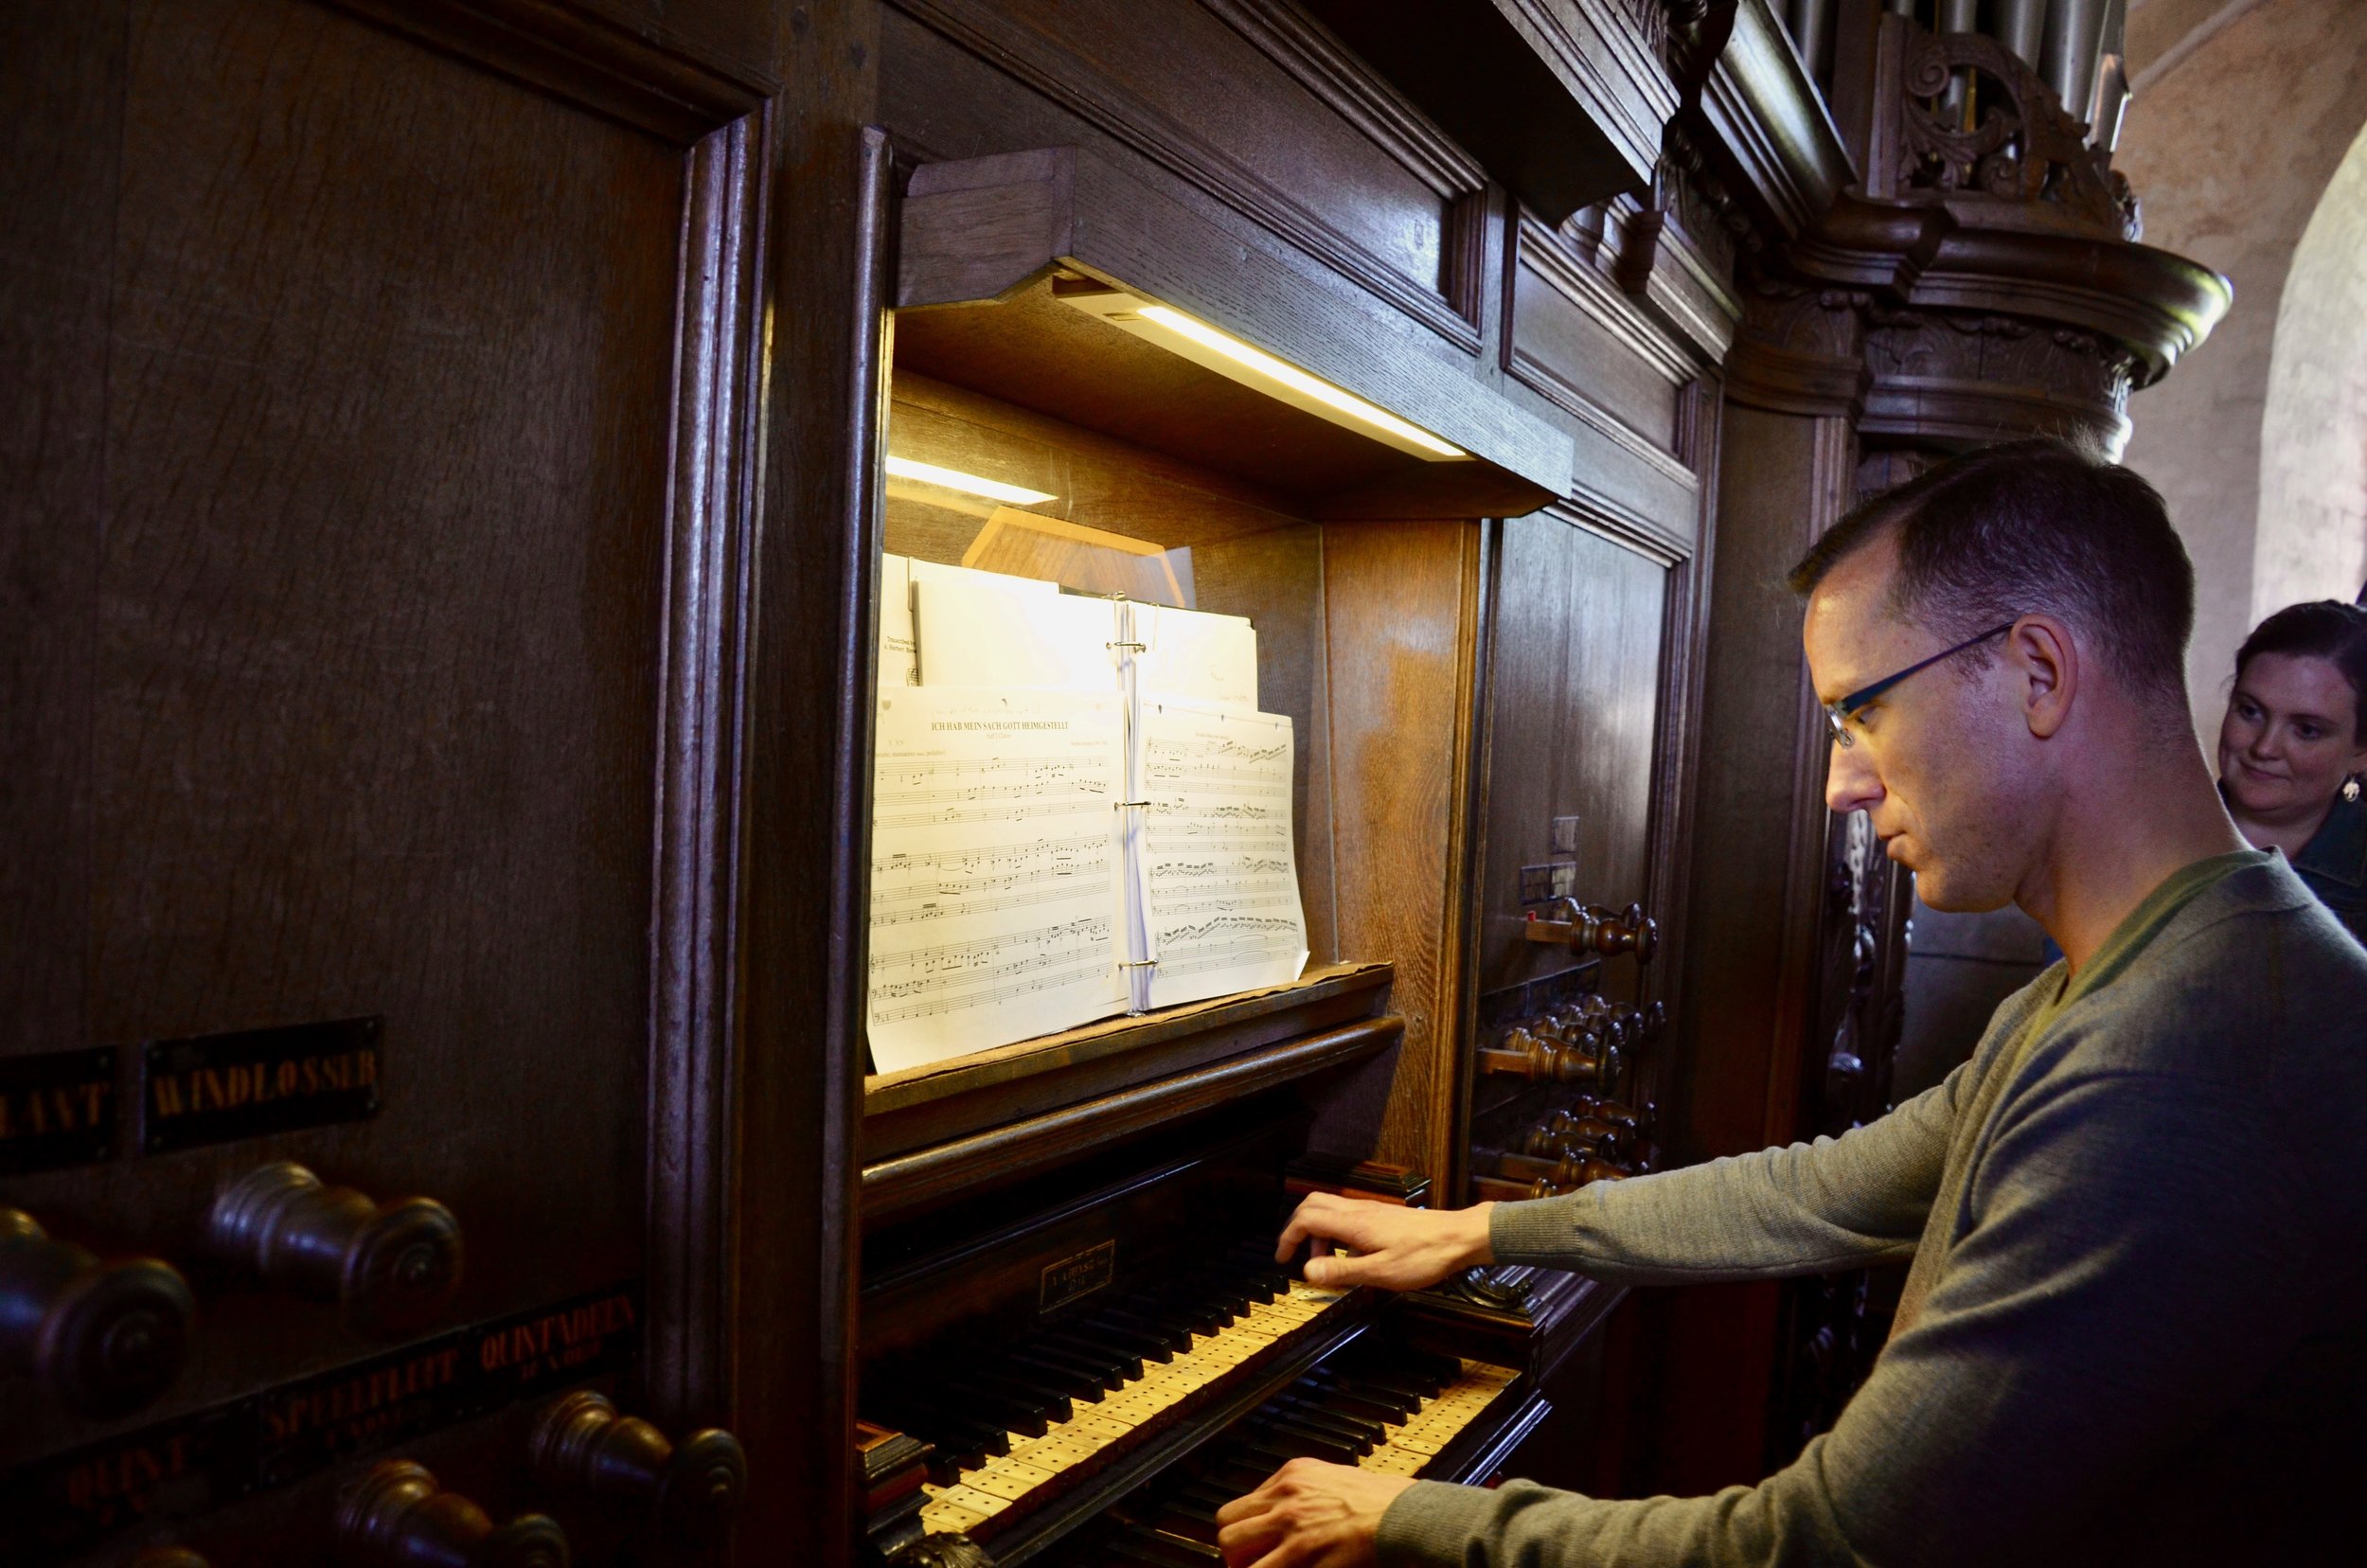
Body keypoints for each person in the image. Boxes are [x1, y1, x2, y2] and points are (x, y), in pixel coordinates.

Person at [1214, 437, 2367, 1568]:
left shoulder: (2173, 1063)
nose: (1840, 784)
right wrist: (1477, 1228)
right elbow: (1831, 1189)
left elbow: (1827, 1541)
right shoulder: (2159, 960)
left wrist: (1409, 1519)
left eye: (1860, 710)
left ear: (2038, 673)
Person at [2216, 599, 2367, 942]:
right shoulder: (2141, 834)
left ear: (2360, 751)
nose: (2264, 748)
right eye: (2250, 711)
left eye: (2307, 730)